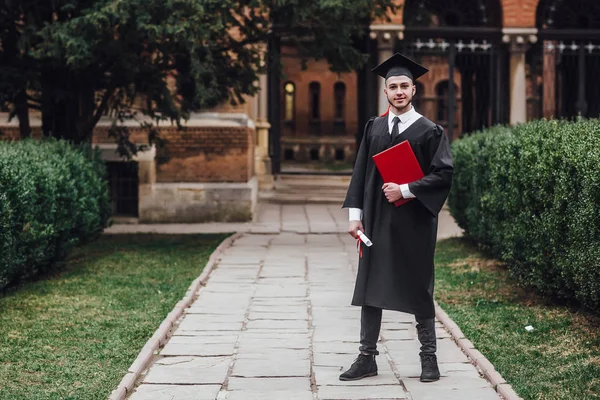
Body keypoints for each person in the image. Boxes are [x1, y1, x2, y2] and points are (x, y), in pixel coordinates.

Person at [339, 53, 453, 383]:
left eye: (404, 86)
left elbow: (443, 174)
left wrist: (405, 190)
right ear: (385, 91)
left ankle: (429, 358)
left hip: (413, 222)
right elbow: (360, 173)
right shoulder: (374, 127)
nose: (399, 91)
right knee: (370, 285)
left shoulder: (430, 131)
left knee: (418, 286)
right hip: (375, 219)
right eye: (393, 86)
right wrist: (355, 216)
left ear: (414, 90)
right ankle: (367, 358)